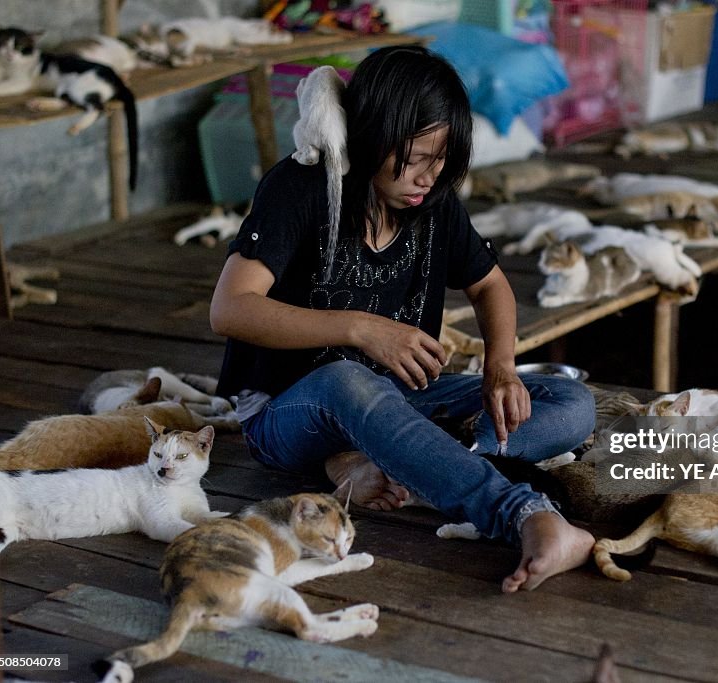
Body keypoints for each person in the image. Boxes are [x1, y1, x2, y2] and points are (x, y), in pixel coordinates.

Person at [209, 45, 596, 593]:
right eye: (417, 158)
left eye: (441, 163)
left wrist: (502, 368)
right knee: (348, 379)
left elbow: (491, 285)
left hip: (393, 399)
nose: (427, 178)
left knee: (569, 400)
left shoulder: (432, 202)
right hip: (286, 411)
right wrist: (360, 327)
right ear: (373, 132)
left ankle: (414, 464)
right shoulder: (301, 186)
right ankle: (522, 514)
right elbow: (230, 308)